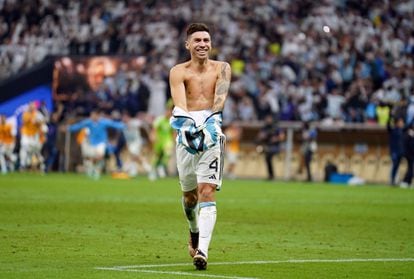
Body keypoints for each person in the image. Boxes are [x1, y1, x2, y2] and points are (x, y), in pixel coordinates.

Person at [169, 23, 231, 270]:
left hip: (212, 132)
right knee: (189, 196)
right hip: (187, 131)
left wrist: (211, 124)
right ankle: (193, 230)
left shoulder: (222, 68)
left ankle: (202, 250)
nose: (203, 44)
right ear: (188, 45)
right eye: (197, 40)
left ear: (211, 43)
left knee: (207, 191)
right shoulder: (178, 71)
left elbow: (220, 100)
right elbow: (180, 105)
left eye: (206, 40)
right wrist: (188, 126)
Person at [67, 109, 125, 179]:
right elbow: (79, 126)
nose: (92, 117)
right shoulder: (89, 122)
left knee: (100, 155)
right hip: (92, 143)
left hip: (101, 143)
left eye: (94, 115)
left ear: (98, 116)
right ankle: (93, 169)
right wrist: (69, 128)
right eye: (91, 115)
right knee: (89, 158)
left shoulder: (104, 122)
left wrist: (124, 125)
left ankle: (95, 169)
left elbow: (114, 124)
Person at [19, 102, 48, 172]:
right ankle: (22, 165)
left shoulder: (38, 114)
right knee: (24, 147)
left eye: (33, 106)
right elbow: (26, 120)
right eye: (31, 106)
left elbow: (44, 122)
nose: (32, 107)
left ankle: (40, 165)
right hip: (26, 134)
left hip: (35, 136)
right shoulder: (26, 114)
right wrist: (35, 120)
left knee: (35, 151)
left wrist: (39, 121)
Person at [256, 114, 285, 180]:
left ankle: (271, 175)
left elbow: (282, 137)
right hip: (267, 146)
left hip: (275, 146)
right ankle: (270, 175)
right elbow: (260, 136)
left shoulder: (276, 127)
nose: (268, 120)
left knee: (268, 156)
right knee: (266, 155)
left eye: (269, 118)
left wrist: (276, 139)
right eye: (267, 118)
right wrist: (262, 136)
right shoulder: (265, 128)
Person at [149, 105, 174, 180]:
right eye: (168, 111)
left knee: (168, 153)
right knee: (157, 156)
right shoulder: (159, 120)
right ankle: (153, 170)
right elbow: (154, 129)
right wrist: (153, 136)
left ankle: (161, 167)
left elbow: (172, 132)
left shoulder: (171, 121)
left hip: (167, 141)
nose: (169, 113)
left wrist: (174, 139)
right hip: (159, 140)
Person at [387, 115, 405, 186]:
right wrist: (390, 117)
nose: (402, 123)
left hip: (400, 151)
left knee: (397, 166)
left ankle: (395, 180)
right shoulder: (393, 130)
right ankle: (392, 180)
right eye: (401, 122)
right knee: (394, 166)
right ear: (397, 123)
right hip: (394, 152)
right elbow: (388, 126)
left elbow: (409, 125)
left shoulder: (402, 130)